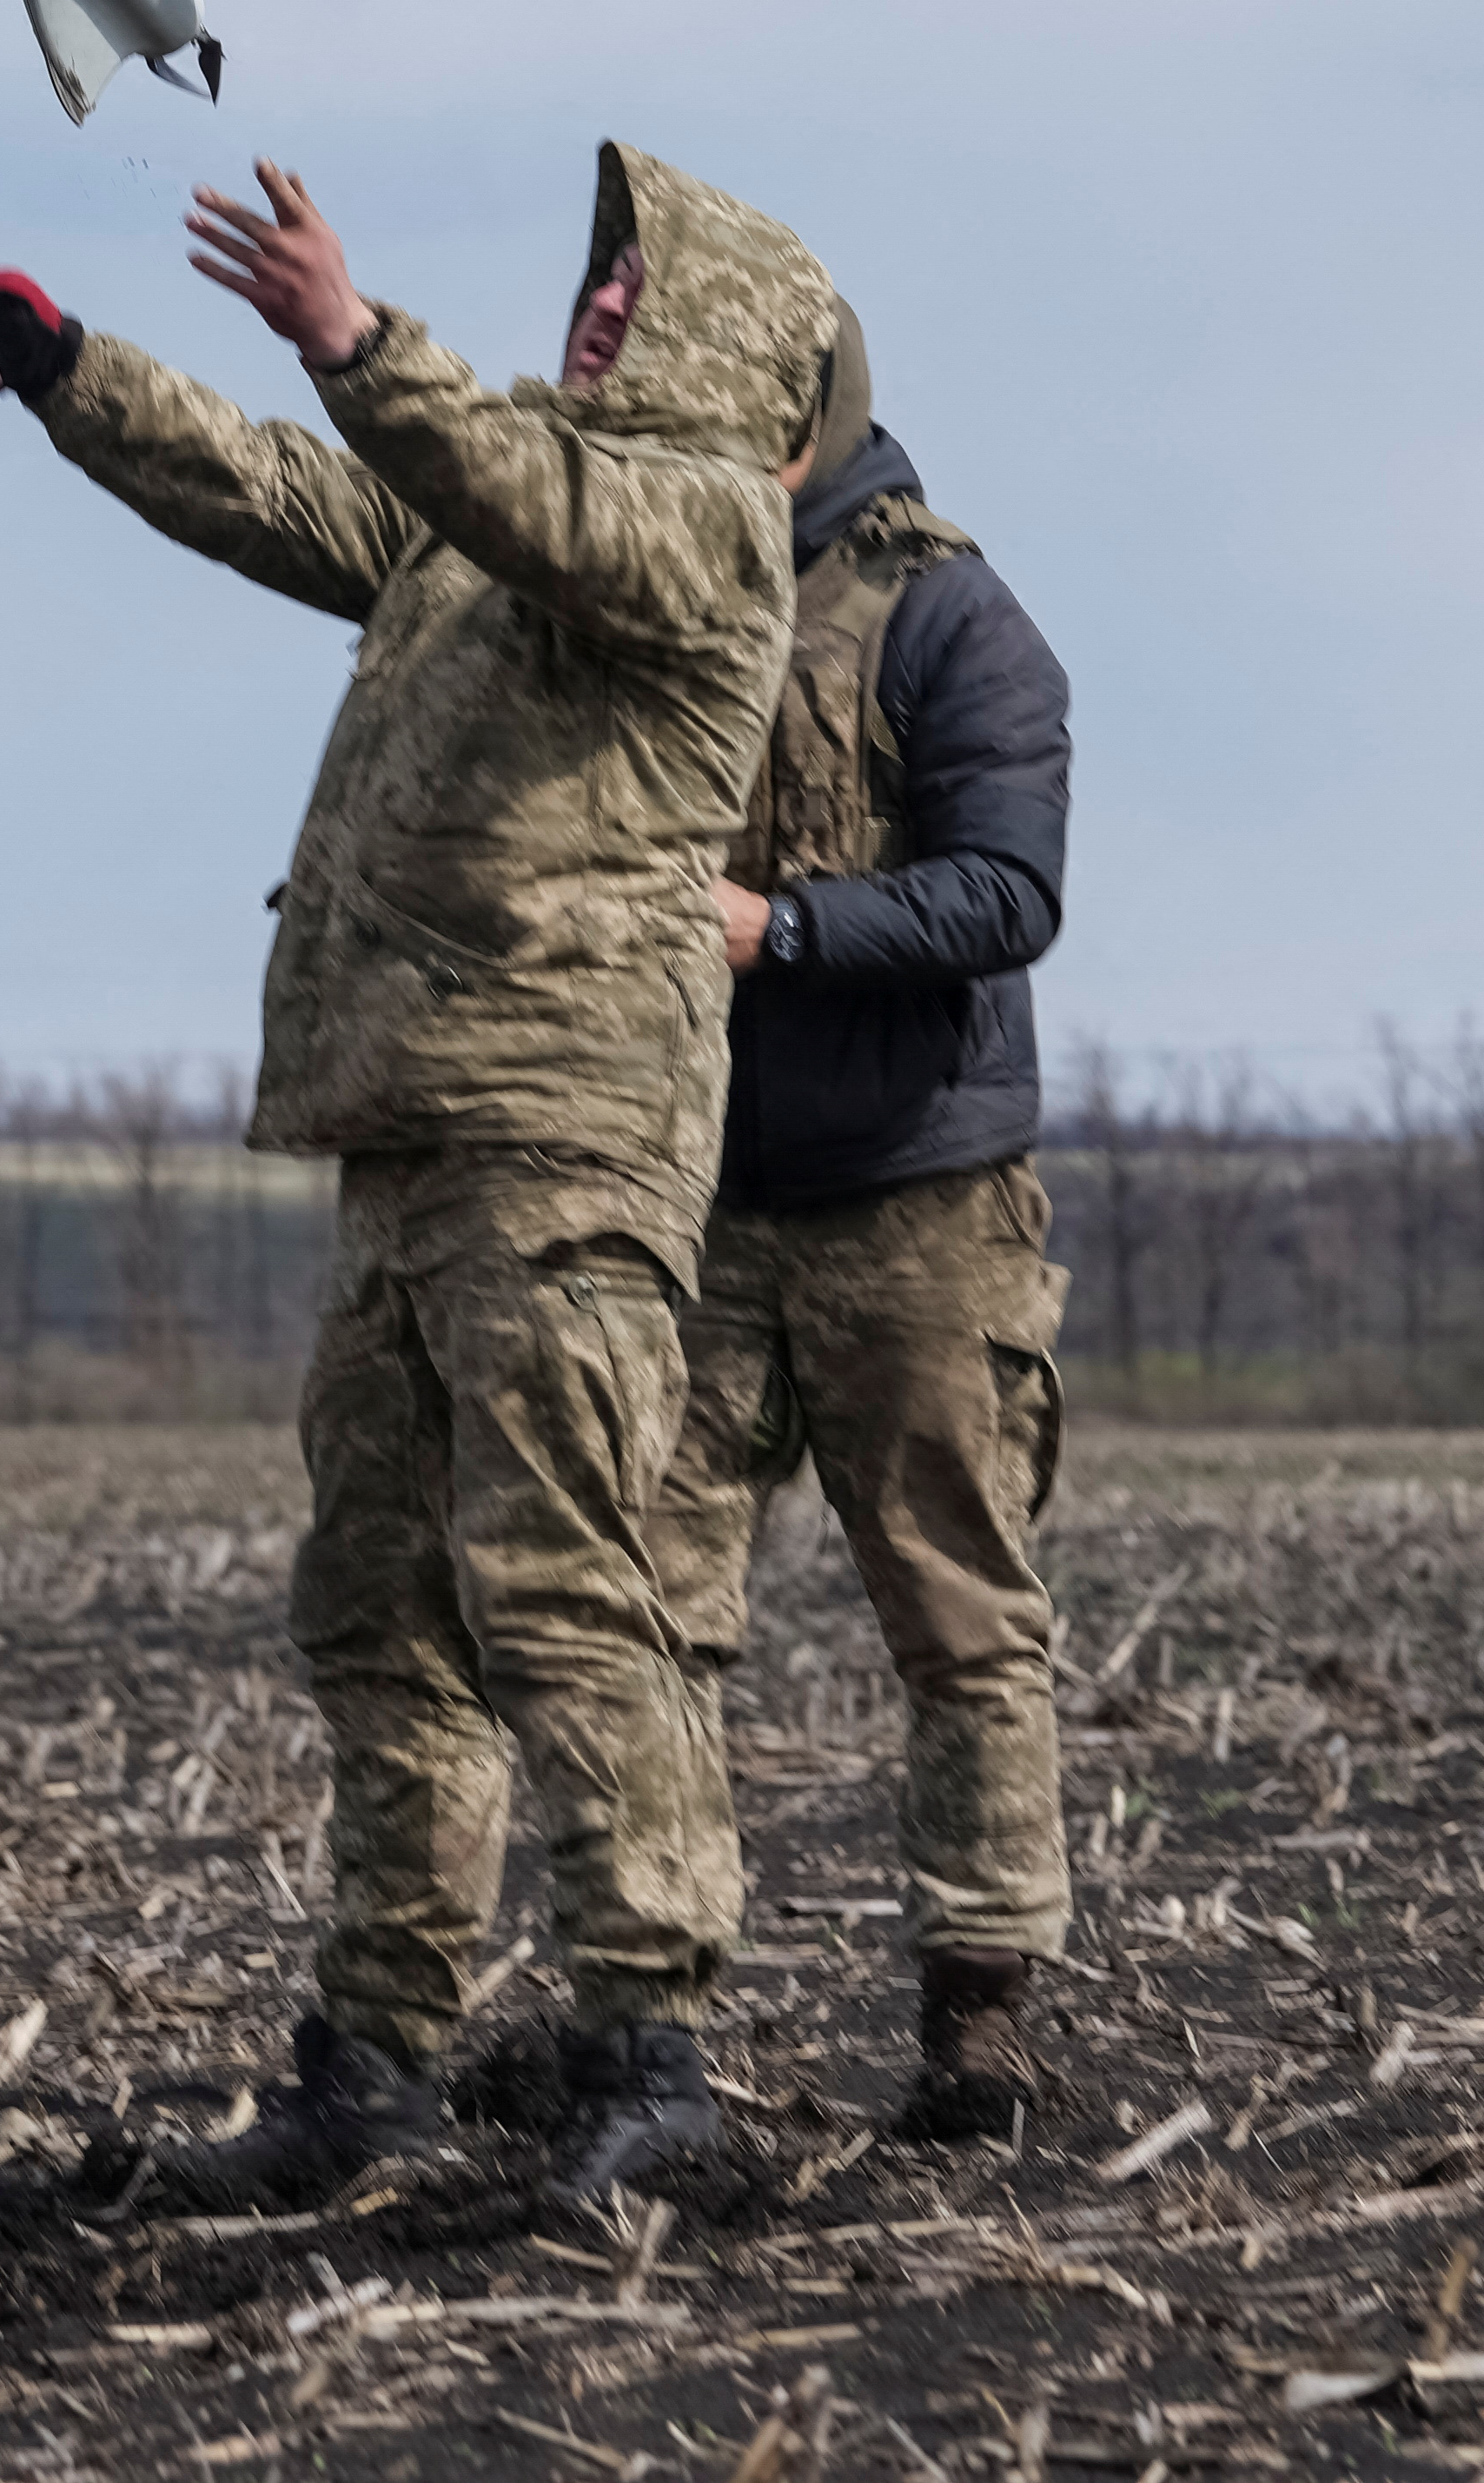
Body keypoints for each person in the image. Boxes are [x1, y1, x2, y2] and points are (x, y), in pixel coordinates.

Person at [0, 146, 846, 2212]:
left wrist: (360, 337)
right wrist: (75, 372)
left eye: (635, 291)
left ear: (729, 341)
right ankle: (379, 2060)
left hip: (565, 1139)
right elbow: (291, 491)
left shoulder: (693, 529)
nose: (595, 308)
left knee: (569, 1596)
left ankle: (649, 2050)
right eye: (591, 282)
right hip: (408, 1129)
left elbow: (532, 493)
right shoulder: (494, 521)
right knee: (380, 1615)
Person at [644, 314, 1079, 2146]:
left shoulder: (953, 616)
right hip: (697, 1205)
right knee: (642, 1616)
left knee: (962, 1622)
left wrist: (782, 930)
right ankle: (641, 2018)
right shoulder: (655, 584)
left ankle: (978, 2022)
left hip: (921, 1209)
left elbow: (1009, 892)